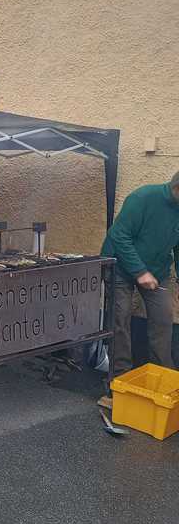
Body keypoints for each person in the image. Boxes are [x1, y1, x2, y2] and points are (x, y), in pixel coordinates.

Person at [99, 172, 179, 405]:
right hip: (120, 266)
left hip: (157, 271)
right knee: (120, 321)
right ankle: (119, 384)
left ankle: (164, 382)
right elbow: (119, 235)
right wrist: (140, 271)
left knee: (163, 320)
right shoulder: (143, 197)